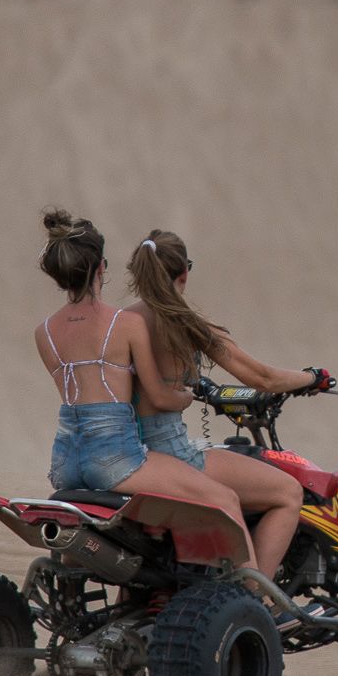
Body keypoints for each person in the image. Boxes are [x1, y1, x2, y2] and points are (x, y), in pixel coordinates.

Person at [34, 210, 262, 569]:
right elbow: (157, 396)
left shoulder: (44, 332)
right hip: (115, 459)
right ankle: (259, 606)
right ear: (101, 268)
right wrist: (187, 395)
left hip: (64, 462)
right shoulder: (126, 324)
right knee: (224, 500)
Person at [124, 230, 333, 588]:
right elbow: (261, 377)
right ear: (183, 274)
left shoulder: (120, 323)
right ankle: (256, 600)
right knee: (287, 493)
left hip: (127, 453)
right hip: (171, 455)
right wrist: (311, 377)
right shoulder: (187, 326)